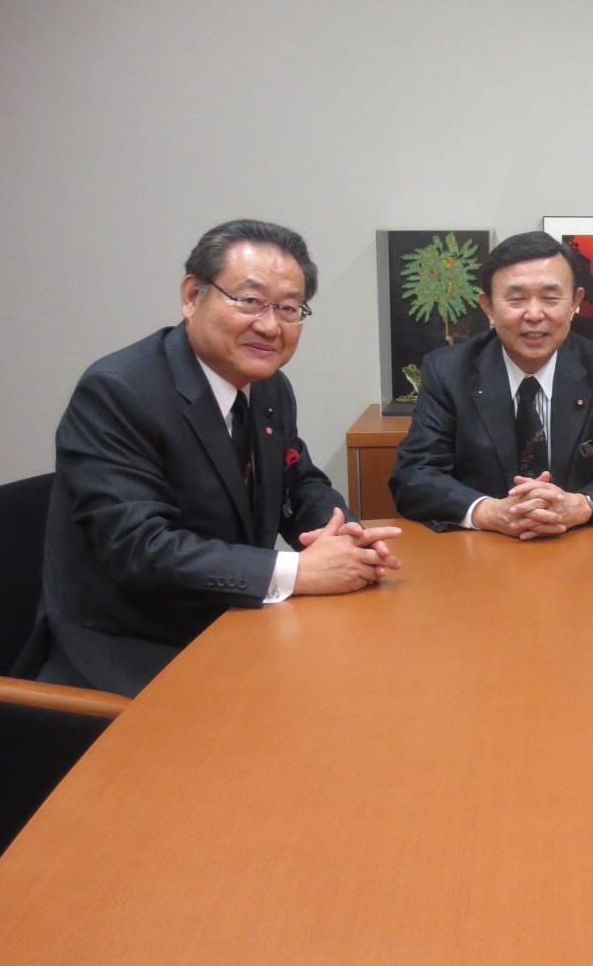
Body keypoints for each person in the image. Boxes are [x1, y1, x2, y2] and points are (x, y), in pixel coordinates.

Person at [26, 220, 402, 698]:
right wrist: (299, 571)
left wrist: (344, 536)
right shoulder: (119, 390)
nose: (269, 325)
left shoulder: (269, 385)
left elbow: (297, 480)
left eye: (288, 308)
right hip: (135, 646)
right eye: (249, 301)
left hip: (234, 619)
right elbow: (141, 547)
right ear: (192, 296)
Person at [389, 231, 593, 536]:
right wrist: (488, 512)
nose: (534, 315)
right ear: (488, 307)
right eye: (516, 299)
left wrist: (582, 505)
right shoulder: (447, 372)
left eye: (550, 298)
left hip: (579, 544)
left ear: (574, 303)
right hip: (482, 546)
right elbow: (414, 475)